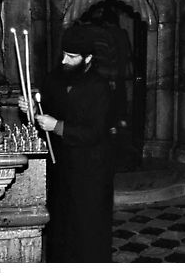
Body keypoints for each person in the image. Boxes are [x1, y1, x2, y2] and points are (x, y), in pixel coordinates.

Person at [18, 24, 114, 263]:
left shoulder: (100, 86)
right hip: (60, 167)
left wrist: (58, 126)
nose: (64, 60)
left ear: (88, 58)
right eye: (63, 54)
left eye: (71, 57)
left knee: (87, 229)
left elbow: (95, 132)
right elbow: (45, 112)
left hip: (90, 171)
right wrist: (31, 110)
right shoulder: (54, 78)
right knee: (60, 226)